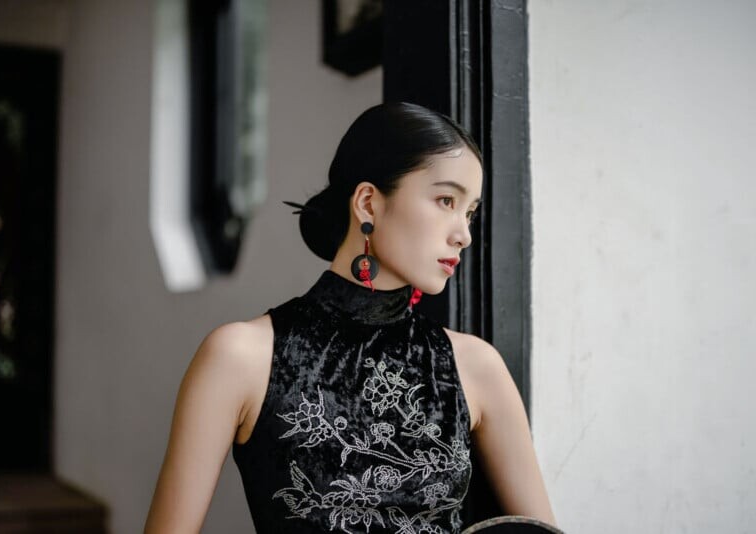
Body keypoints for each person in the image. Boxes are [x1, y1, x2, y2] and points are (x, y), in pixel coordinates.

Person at [144, 102, 557, 533]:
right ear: (368, 203)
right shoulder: (240, 356)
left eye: (469, 211)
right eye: (445, 200)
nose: (464, 234)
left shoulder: (476, 367)